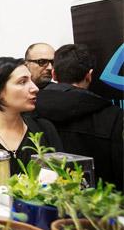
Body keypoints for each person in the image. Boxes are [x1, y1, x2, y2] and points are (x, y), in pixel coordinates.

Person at [35, 44, 123, 189]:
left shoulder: (31, 108)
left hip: (45, 197)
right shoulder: (113, 115)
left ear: (54, 74)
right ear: (89, 75)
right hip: (98, 199)